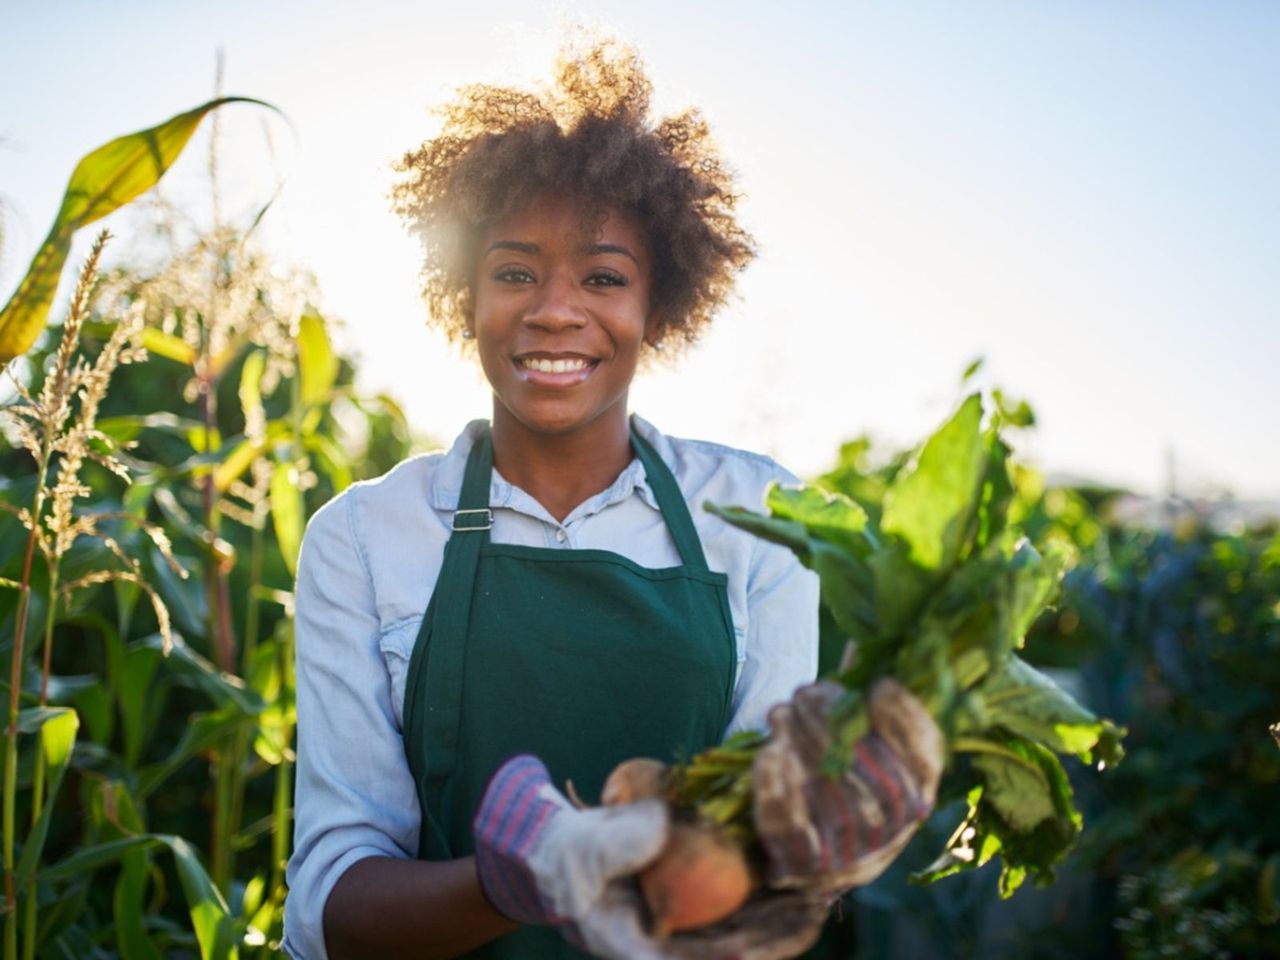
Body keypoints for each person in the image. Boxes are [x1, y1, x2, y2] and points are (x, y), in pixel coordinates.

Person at [283, 39, 942, 960]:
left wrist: (826, 833)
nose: (555, 310)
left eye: (603, 277)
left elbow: (764, 859)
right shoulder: (364, 537)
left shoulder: (758, 519)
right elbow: (332, 907)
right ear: (465, 294)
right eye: (514, 272)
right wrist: (523, 871)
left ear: (658, 303)